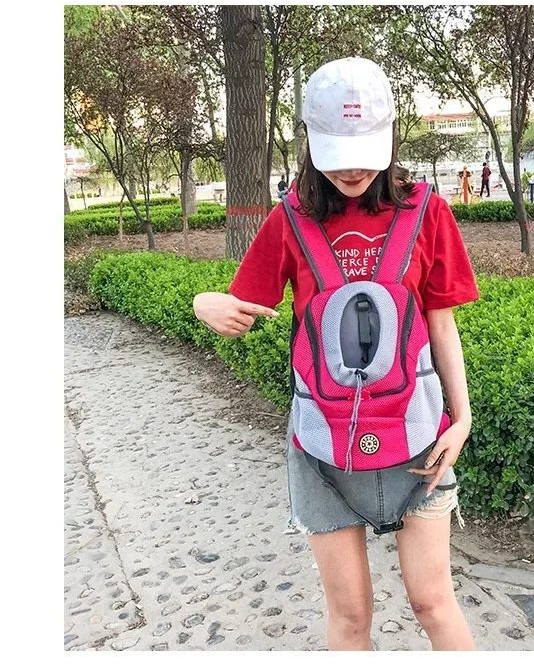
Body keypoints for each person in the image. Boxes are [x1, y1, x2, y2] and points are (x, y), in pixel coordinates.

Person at [192, 57, 479, 651]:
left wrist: (463, 419)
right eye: (337, 152)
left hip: (419, 438)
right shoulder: (290, 220)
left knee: (432, 604)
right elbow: (241, 309)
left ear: (390, 138)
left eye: (364, 151)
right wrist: (203, 303)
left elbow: (440, 323)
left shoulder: (426, 211)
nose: (351, 169)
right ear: (310, 141)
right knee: (349, 617)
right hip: (321, 446)